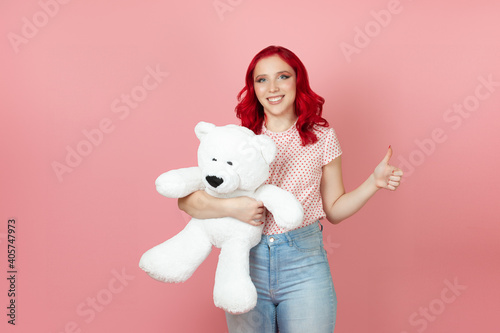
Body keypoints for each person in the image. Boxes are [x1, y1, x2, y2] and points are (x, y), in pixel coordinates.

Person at [178, 45, 403, 332]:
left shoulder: (322, 137)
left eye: (282, 76)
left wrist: (374, 182)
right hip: (246, 264)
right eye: (262, 79)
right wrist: (235, 207)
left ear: (298, 81)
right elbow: (188, 202)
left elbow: (333, 209)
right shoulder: (240, 139)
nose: (272, 87)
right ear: (253, 88)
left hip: (304, 266)